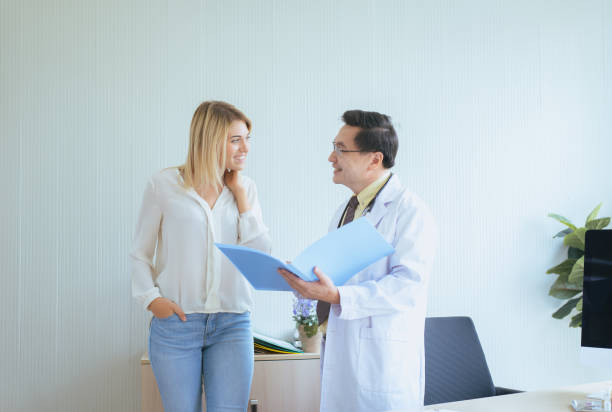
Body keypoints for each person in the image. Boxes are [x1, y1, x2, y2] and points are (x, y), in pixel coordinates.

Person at [278, 110, 437, 412]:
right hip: (342, 356)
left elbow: (409, 286)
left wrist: (337, 295)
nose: (331, 157)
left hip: (382, 365)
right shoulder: (345, 211)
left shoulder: (410, 211)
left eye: (341, 149)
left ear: (374, 159)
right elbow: (341, 276)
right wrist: (306, 281)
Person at [131, 101, 271, 412]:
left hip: (232, 324)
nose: (245, 148)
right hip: (177, 325)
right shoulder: (163, 185)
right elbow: (140, 252)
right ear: (209, 139)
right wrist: (151, 299)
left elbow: (260, 255)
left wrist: (242, 199)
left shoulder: (245, 188)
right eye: (236, 139)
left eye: (248, 138)